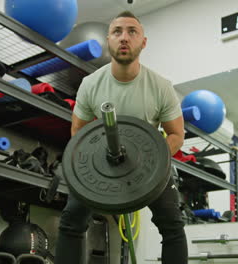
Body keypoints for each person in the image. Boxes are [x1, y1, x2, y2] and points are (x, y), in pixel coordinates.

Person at [54, 11, 188, 264]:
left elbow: (176, 135)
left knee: (173, 225)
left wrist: (152, 162)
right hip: (103, 159)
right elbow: (78, 134)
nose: (124, 38)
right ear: (108, 40)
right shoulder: (90, 83)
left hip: (149, 163)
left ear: (143, 42)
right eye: (117, 32)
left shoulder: (160, 86)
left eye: (132, 32)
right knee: (71, 220)